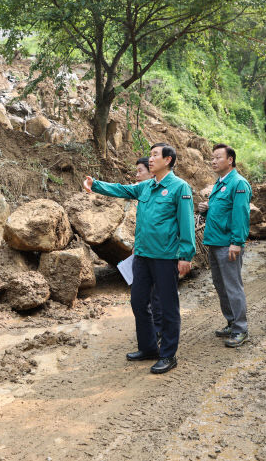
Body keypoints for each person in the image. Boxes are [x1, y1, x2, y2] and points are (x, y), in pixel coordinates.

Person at [83, 143, 195, 374]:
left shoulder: (179, 187)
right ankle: (149, 348)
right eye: (151, 155)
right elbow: (122, 189)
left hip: (165, 257)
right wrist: (96, 185)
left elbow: (186, 224)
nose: (150, 159)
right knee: (138, 301)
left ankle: (168, 355)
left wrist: (185, 255)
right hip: (142, 256)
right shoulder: (146, 186)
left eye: (155, 155)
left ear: (168, 160)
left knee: (167, 306)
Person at [198, 143, 252, 347]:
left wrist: (237, 242)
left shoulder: (238, 183)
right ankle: (231, 322)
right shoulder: (220, 183)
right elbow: (222, 211)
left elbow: (240, 215)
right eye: (212, 157)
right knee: (220, 286)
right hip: (214, 242)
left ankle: (241, 329)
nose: (213, 161)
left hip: (228, 244)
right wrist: (206, 209)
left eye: (218, 157)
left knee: (232, 287)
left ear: (230, 160)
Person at [133, 156, 162, 344]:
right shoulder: (142, 191)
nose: (136, 176)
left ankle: (159, 332)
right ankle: (150, 337)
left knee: (158, 296)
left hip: (160, 254)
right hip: (142, 252)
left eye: (139, 171)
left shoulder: (172, 189)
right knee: (143, 298)